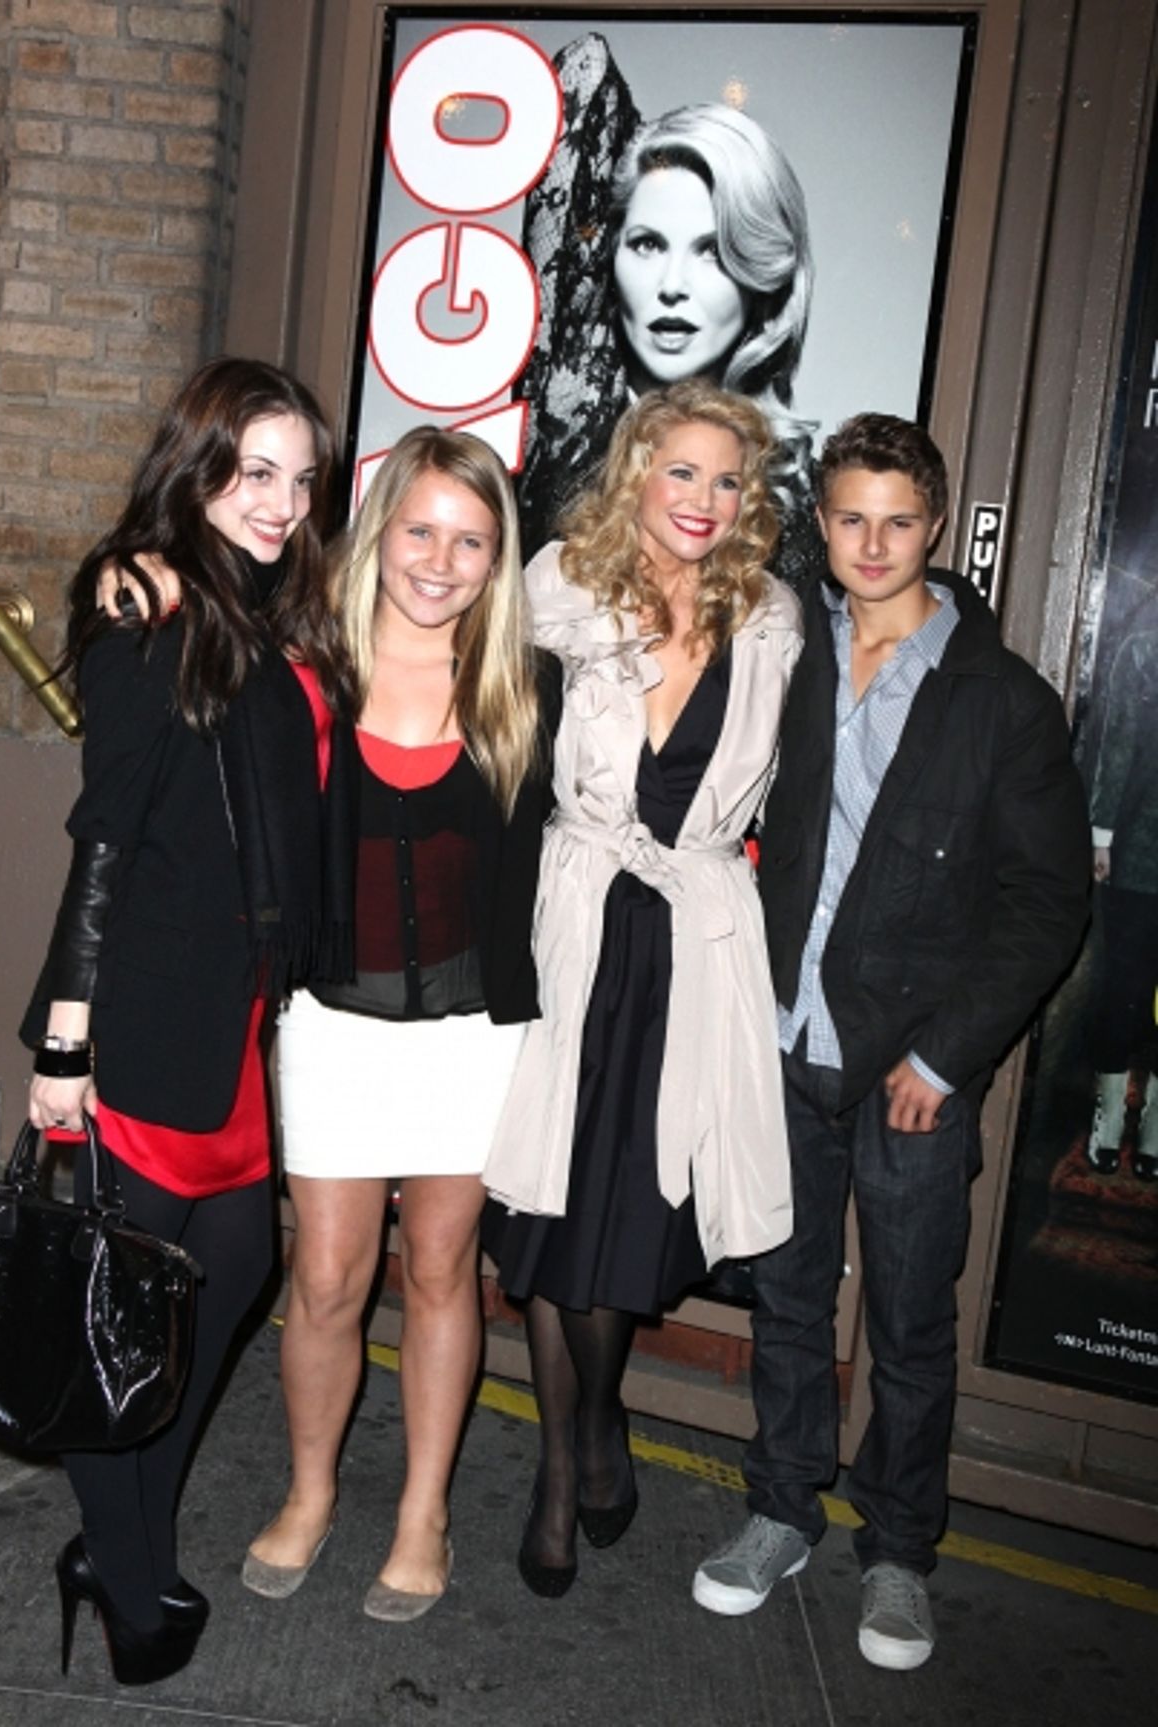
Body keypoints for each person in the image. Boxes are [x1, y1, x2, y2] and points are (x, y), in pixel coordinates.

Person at [692, 414, 1089, 1668]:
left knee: (912, 1323)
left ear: (938, 525)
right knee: (791, 1298)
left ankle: (902, 1552)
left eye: (899, 521)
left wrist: (949, 1054)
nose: (873, 544)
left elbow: (1048, 902)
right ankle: (779, 1510)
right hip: (784, 1037)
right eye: (850, 517)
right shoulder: (784, 647)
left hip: (913, 1061)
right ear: (823, 521)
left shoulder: (1001, 698)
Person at [22, 356, 352, 1686]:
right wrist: (62, 1037)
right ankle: (130, 1579)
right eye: (254, 470)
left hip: (236, 1020)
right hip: (143, 1011)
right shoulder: (149, 602)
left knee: (221, 1279)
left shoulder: (268, 612)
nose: (281, 501)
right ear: (196, 465)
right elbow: (104, 835)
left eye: (302, 478)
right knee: (125, 1312)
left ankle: (124, 1541)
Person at [482, 379, 802, 1597]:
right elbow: (482, 733)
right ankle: (565, 1471)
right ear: (637, 473)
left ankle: (599, 1419)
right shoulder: (558, 588)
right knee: (552, 1214)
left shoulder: (774, 617)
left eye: (728, 480)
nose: (705, 500)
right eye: (683, 472)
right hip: (573, 926)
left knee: (626, 1213)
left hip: (691, 946)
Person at [238, 428, 562, 1622]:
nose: (440, 558)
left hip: (473, 1034)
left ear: (498, 555)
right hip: (335, 1018)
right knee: (323, 1275)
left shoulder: (528, 682)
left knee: (440, 1269)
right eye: (420, 528)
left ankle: (422, 1510)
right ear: (380, 533)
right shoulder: (305, 669)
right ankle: (312, 1490)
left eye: (470, 538)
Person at [518, 34, 818, 595]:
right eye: (648, 244)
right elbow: (586, 67)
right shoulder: (562, 432)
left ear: (759, 279)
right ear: (608, 257)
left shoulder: (793, 505)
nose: (672, 286)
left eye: (711, 251)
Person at [1085, 622, 1158, 1179]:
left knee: (1127, 990)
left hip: (1135, 847)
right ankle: (1115, 1120)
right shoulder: (1144, 649)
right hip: (1140, 850)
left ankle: (1143, 1130)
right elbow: (1120, 742)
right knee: (1124, 990)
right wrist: (1104, 833)